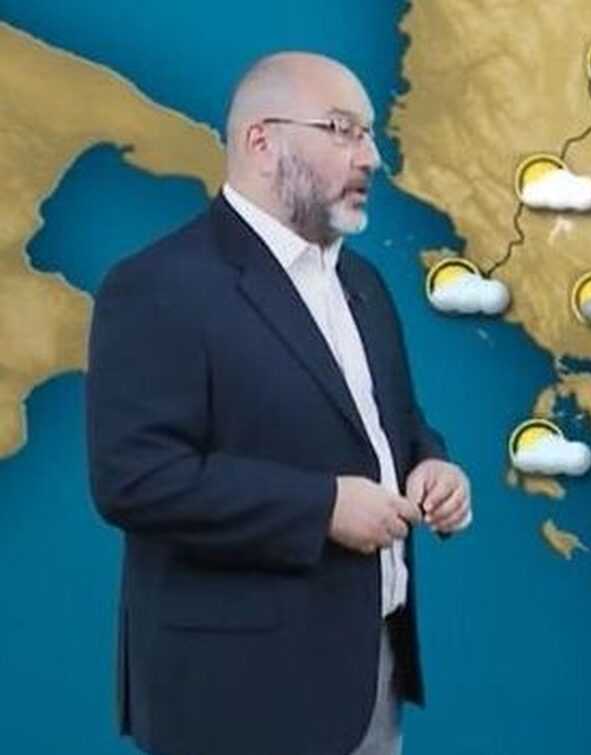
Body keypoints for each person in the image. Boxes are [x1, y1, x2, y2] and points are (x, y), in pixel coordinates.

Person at [84, 51, 472, 755]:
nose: (371, 157)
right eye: (343, 130)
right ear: (261, 141)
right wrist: (323, 508)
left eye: (370, 134)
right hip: (238, 695)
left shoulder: (363, 283)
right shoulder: (159, 286)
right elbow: (135, 478)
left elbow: (394, 424)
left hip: (369, 674)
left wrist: (432, 465)